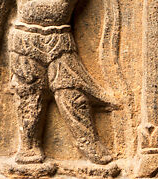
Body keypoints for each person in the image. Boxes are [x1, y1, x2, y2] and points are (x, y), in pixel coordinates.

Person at [9, 0, 113, 164]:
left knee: (71, 92)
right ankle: (28, 146)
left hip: (60, 38)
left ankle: (87, 141)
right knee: (28, 92)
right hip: (25, 37)